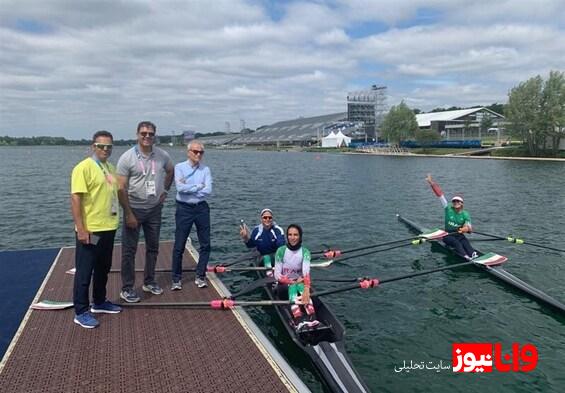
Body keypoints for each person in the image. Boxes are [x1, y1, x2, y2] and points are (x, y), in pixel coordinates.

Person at [116, 121, 174, 302]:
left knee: (153, 248)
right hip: (134, 209)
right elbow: (120, 188)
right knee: (129, 251)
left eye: (150, 134)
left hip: (154, 209)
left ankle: (149, 281)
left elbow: (171, 171)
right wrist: (129, 213)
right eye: (143, 133)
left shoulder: (162, 155)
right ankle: (127, 288)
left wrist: (165, 191)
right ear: (137, 134)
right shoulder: (127, 158)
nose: (147, 136)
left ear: (155, 135)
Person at [70, 130, 122, 328]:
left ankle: (99, 302)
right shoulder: (83, 168)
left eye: (109, 146)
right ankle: (81, 311)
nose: (105, 150)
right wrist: (81, 229)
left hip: (109, 227)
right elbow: (75, 199)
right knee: (85, 272)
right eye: (101, 146)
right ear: (94, 146)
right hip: (91, 230)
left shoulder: (110, 167)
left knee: (103, 268)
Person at [171, 141, 212, 290]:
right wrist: (198, 186)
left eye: (201, 152)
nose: (198, 154)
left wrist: (190, 187)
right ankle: (176, 279)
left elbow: (208, 190)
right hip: (184, 209)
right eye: (195, 151)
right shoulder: (179, 167)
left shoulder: (205, 169)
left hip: (201, 208)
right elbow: (180, 188)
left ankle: (200, 276)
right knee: (179, 245)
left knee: (205, 244)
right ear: (188, 152)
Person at [274, 224, 319, 331]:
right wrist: (291, 281)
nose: (292, 237)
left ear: (300, 237)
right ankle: (298, 318)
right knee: (295, 286)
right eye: (290, 235)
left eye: (295, 235)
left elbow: (306, 272)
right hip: (283, 286)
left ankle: (312, 316)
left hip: (300, 284)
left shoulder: (305, 252)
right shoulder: (281, 251)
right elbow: (277, 275)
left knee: (301, 286)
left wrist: (307, 288)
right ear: (287, 236)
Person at [426, 174, 477, 260]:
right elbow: (440, 195)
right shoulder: (448, 208)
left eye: (458, 201)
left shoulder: (465, 214)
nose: (455, 203)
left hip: (458, 234)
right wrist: (432, 183)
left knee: (465, 241)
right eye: (454, 201)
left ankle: (473, 254)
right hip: (447, 235)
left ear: (462, 203)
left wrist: (466, 229)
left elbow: (470, 228)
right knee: (456, 243)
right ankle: (465, 256)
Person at [239, 208, 285, 274]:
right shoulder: (256, 230)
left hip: (276, 257)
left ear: (272, 219)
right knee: (266, 258)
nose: (267, 219)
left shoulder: (278, 230)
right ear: (261, 219)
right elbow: (250, 245)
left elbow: (281, 246)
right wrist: (245, 237)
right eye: (265, 217)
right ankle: (269, 274)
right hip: (262, 258)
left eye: (270, 217)